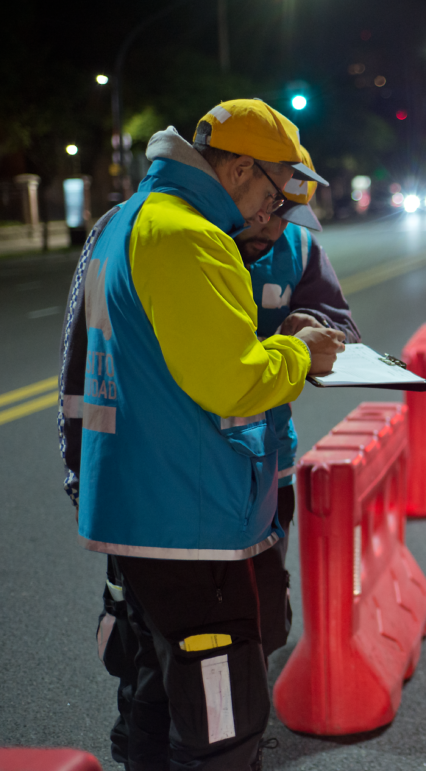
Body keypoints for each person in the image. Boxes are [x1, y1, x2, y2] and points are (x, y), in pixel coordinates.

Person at [57, 99, 345, 771]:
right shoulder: (188, 235)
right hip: (190, 521)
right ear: (241, 169)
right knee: (223, 724)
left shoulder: (126, 220)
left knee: (157, 697)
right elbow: (234, 380)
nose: (275, 215)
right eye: (276, 195)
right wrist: (302, 352)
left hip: (141, 504)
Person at [234, 145, 361, 660]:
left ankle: (245, 710)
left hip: (270, 456)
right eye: (270, 210)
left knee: (264, 592)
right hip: (196, 461)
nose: (275, 228)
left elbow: (345, 329)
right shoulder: (195, 243)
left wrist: (318, 330)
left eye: (288, 216)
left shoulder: (299, 247)